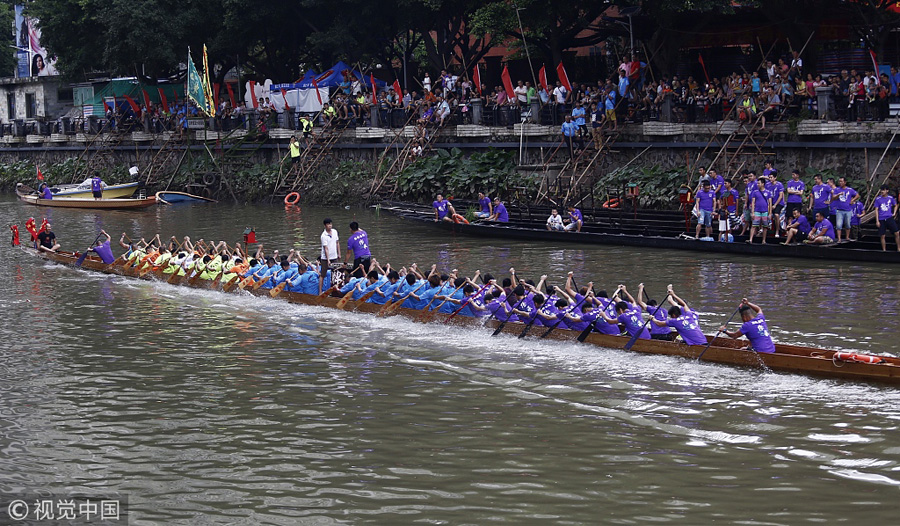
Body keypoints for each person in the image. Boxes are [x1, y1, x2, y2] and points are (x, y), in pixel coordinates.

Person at [830, 177, 858, 242]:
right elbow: (833, 198)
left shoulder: (850, 190)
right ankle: (839, 239)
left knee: (848, 224)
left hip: (848, 210)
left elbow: (857, 195)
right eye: (839, 181)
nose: (840, 183)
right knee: (839, 225)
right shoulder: (837, 189)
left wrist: (852, 200)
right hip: (839, 210)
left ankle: (847, 237)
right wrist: (838, 195)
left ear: (845, 182)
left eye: (841, 181)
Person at [874, 184, 900, 251]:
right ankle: (884, 250)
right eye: (881, 190)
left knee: (896, 232)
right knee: (882, 235)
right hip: (881, 219)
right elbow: (876, 210)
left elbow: (895, 205)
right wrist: (877, 220)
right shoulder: (878, 199)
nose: (882, 191)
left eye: (884, 190)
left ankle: (898, 248)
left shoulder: (890, 198)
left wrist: (894, 213)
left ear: (887, 191)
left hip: (889, 217)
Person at [748, 179, 772, 244]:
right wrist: (752, 212)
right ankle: (750, 239)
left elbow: (770, 203)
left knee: (765, 226)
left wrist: (770, 213)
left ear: (763, 184)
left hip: (765, 211)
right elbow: (753, 202)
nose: (758, 184)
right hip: (757, 211)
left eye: (759, 183)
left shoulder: (768, 192)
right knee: (754, 225)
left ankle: (763, 240)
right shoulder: (755, 192)